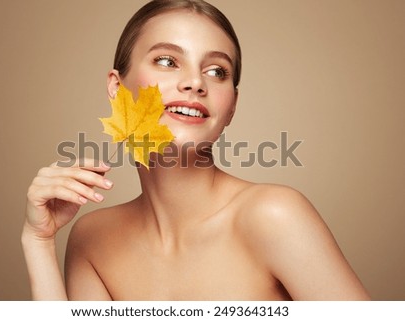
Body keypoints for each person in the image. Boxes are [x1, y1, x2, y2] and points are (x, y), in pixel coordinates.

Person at [22, 0, 370, 300]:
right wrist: (38, 242)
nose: (195, 82)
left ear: (231, 107)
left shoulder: (274, 217)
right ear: (116, 87)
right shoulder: (93, 238)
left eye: (217, 71)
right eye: (167, 61)